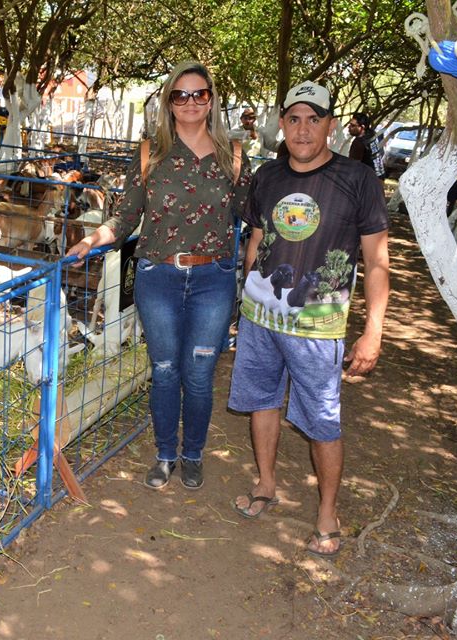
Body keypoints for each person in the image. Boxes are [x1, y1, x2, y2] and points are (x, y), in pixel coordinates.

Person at [67, 61, 251, 491]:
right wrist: (92, 241)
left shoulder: (233, 156)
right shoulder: (151, 153)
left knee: (200, 373)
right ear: (169, 102)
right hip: (159, 278)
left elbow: (254, 215)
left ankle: (193, 454)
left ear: (211, 99)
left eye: (199, 94)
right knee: (165, 369)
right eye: (180, 95)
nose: (190, 102)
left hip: (214, 279)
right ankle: (166, 453)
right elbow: (126, 216)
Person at [227, 81, 390, 558]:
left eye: (313, 119)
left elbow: (377, 261)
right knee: (261, 400)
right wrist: (246, 299)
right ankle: (266, 485)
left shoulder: (357, 180)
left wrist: (373, 330)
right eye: (294, 118)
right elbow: (257, 238)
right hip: (260, 317)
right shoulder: (267, 177)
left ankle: (327, 513)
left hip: (318, 326)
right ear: (282, 124)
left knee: (322, 420)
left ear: (330, 126)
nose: (302, 128)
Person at [346, 112, 385, 179]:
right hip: (379, 177)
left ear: (362, 127)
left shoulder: (358, 143)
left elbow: (353, 166)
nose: (349, 127)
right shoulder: (373, 135)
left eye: (352, 125)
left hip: (366, 181)